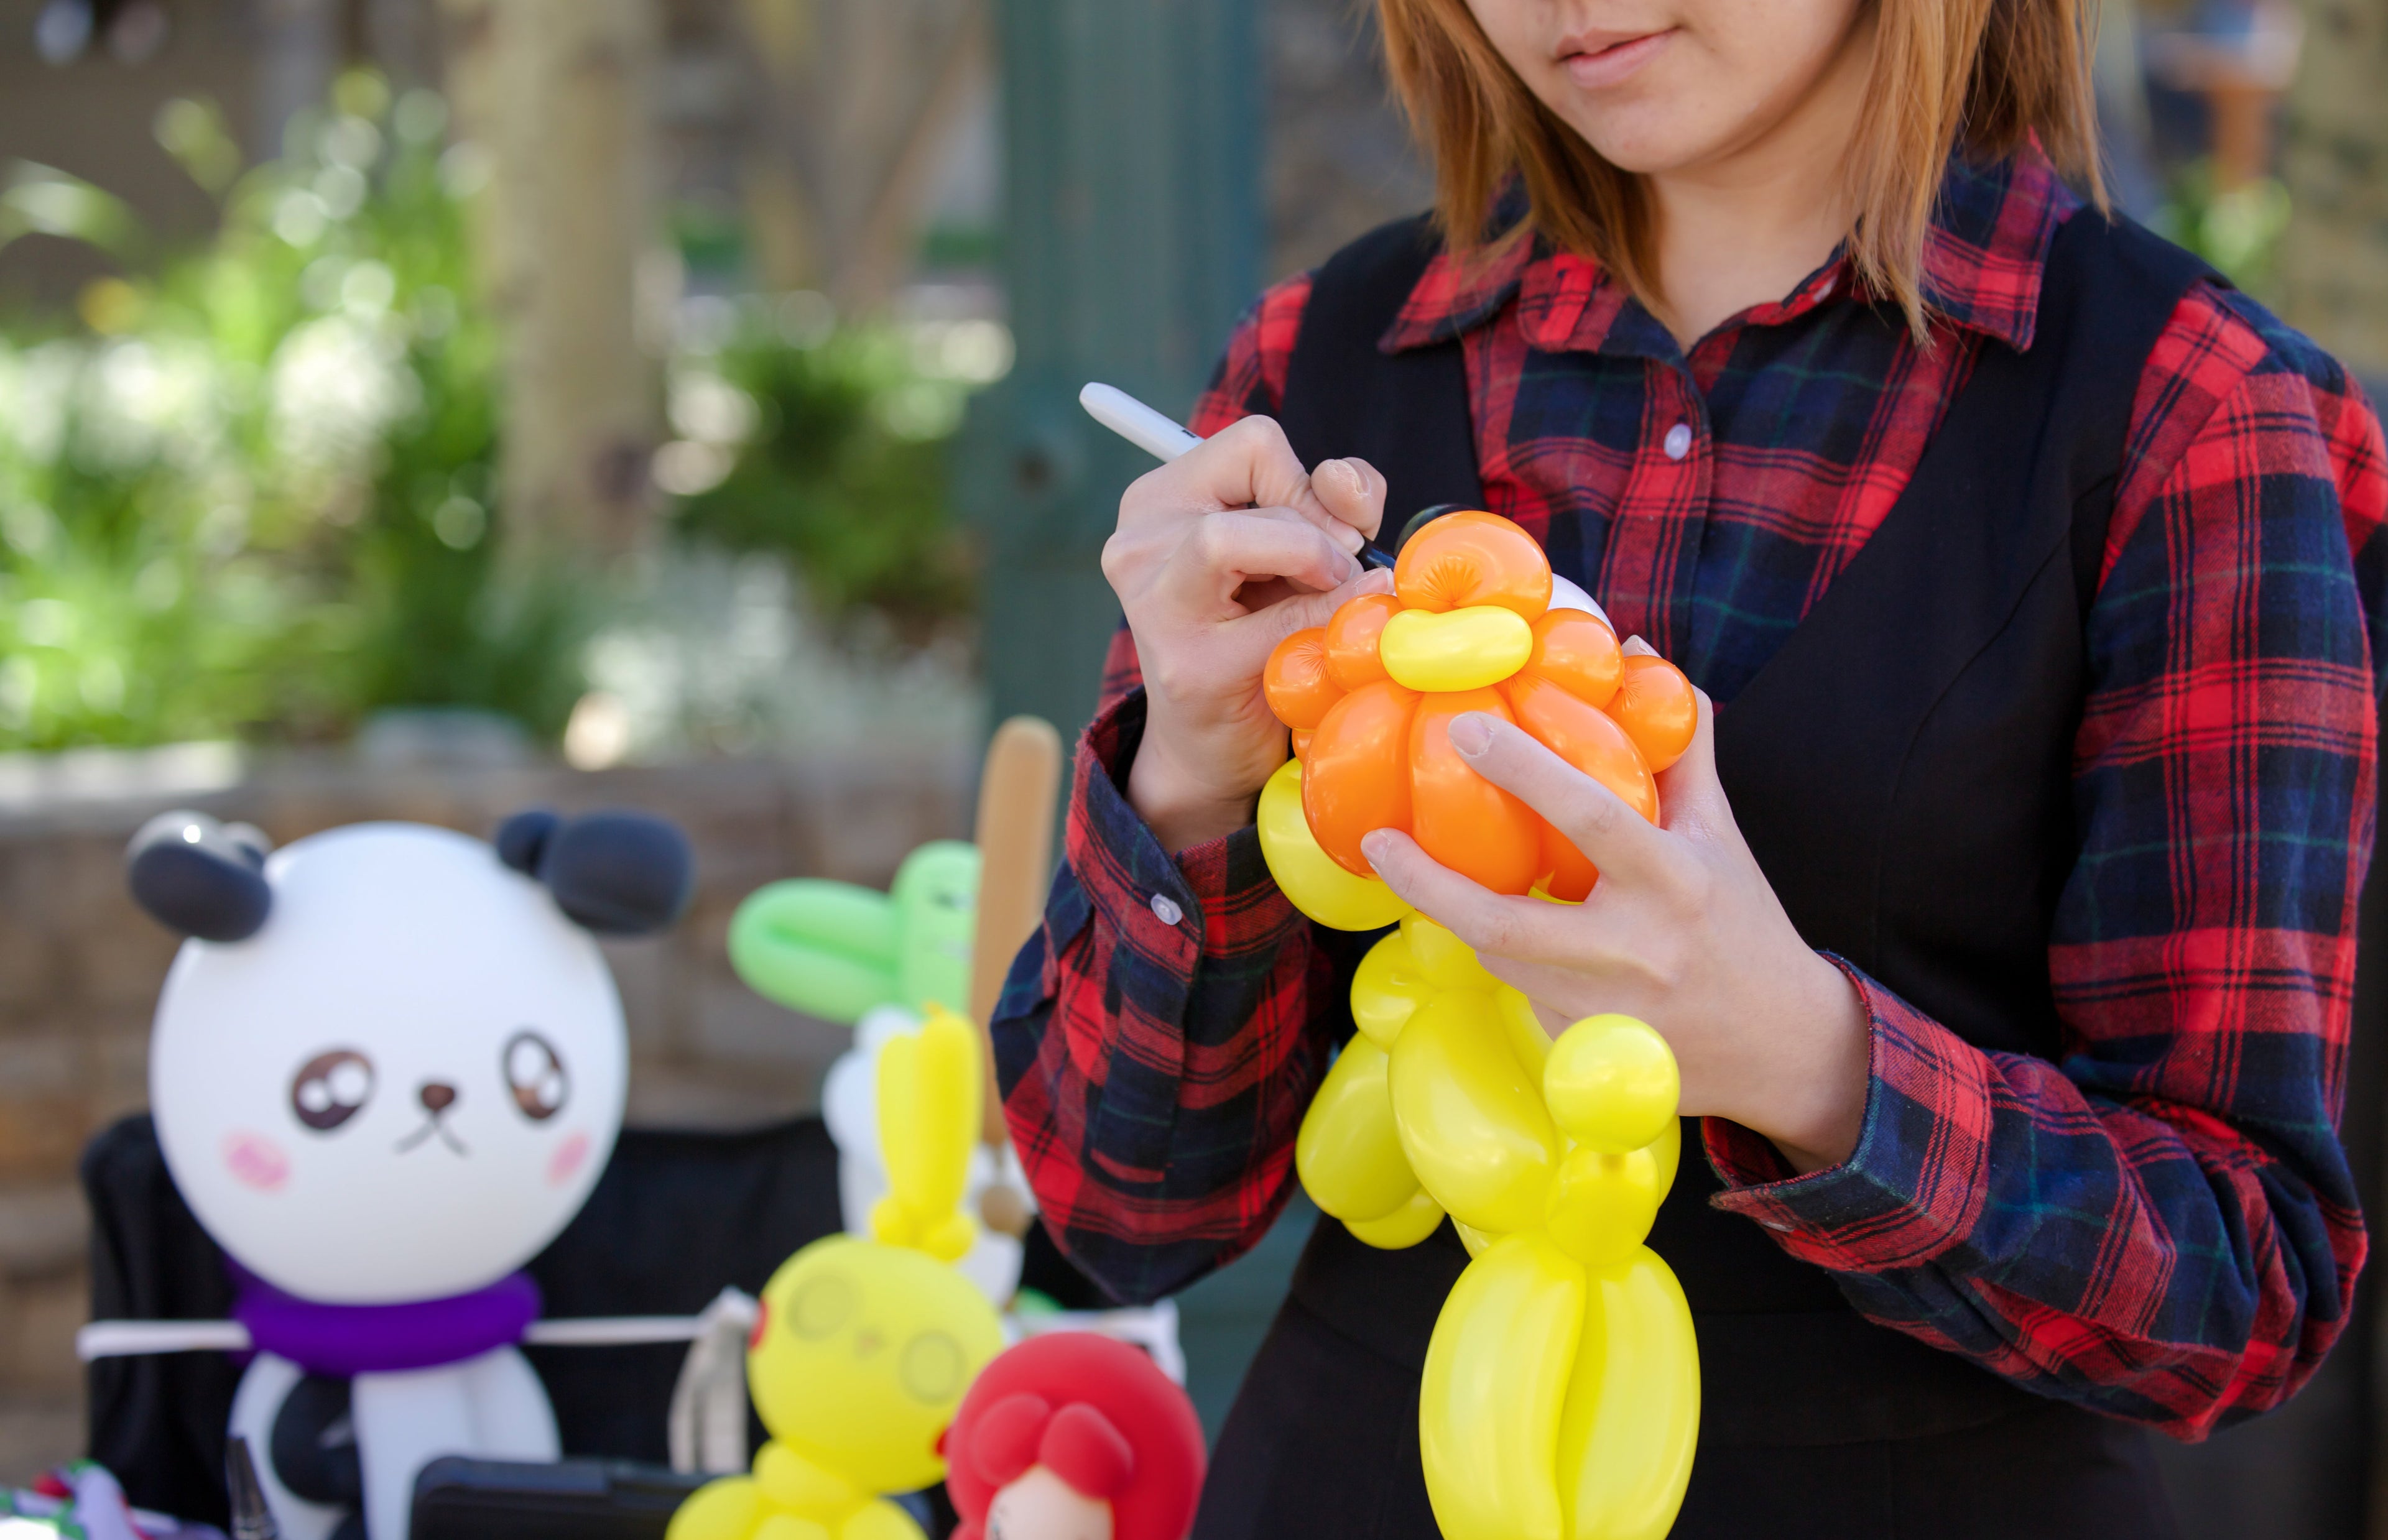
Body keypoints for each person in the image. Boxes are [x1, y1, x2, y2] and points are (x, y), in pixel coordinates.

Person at [990, 0, 2388, 1534]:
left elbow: (2240, 1290)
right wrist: (1192, 773)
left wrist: (1800, 1055)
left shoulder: (2193, 411)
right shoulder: (1313, 361)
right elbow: (1120, 1217)